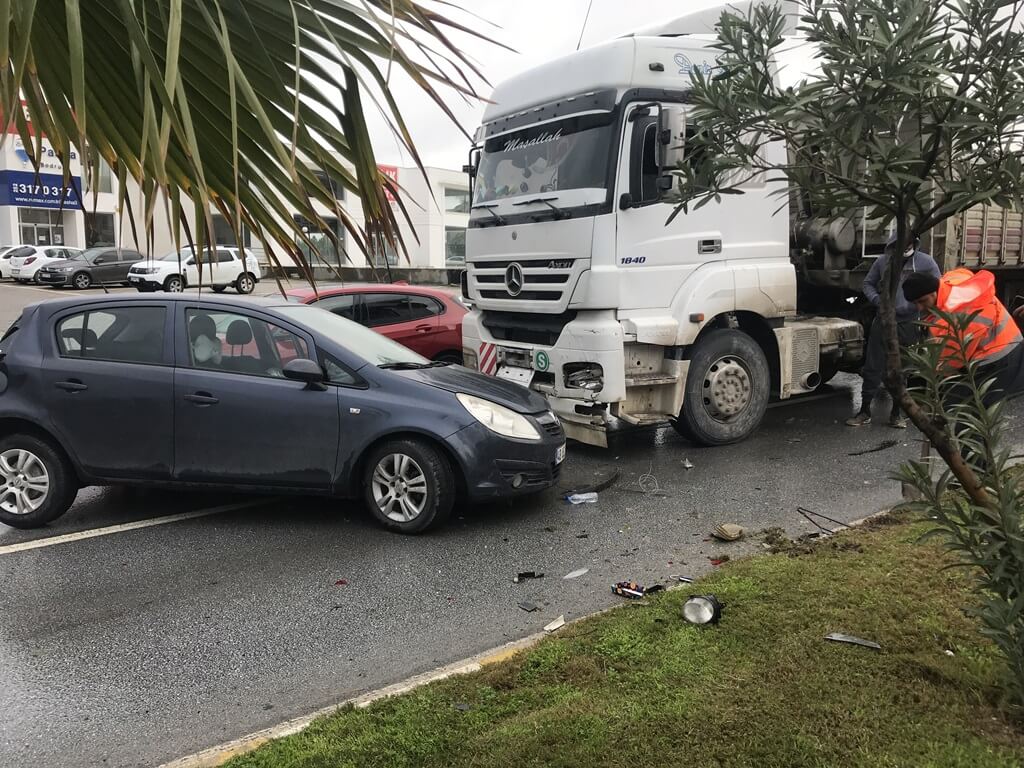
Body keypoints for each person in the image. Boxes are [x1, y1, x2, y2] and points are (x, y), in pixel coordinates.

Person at [846, 234, 941, 428]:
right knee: (873, 365)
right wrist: (878, 301)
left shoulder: (925, 262)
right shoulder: (883, 262)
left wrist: (921, 311)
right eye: (899, 244)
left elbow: (937, 288)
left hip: (909, 322)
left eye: (908, 243)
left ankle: (897, 413)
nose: (904, 246)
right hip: (883, 322)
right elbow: (867, 284)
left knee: (903, 369)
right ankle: (864, 410)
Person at [902, 268, 1024, 406]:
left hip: (999, 356)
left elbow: (951, 364)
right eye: (915, 303)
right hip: (1004, 341)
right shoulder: (951, 282)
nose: (919, 307)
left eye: (922, 301)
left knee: (966, 407)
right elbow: (963, 272)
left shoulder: (959, 316)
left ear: (934, 292)